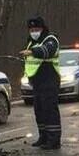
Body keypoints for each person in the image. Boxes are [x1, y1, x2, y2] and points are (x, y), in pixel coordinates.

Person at [21, 15, 61, 149]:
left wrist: (31, 51)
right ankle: (43, 137)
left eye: (36, 29)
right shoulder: (30, 42)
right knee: (39, 110)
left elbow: (47, 52)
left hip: (49, 80)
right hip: (37, 82)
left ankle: (54, 140)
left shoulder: (50, 39)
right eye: (31, 30)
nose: (34, 32)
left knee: (50, 110)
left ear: (43, 28)